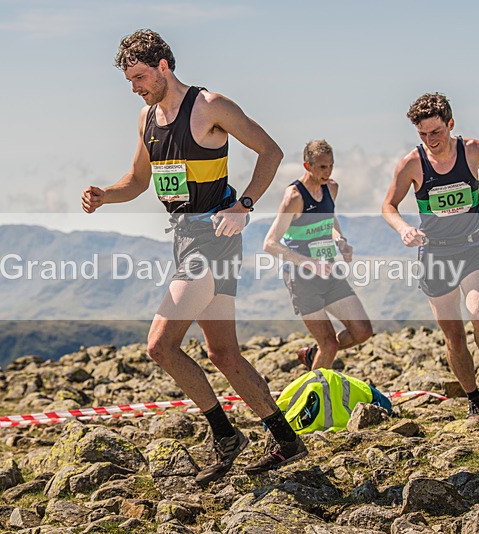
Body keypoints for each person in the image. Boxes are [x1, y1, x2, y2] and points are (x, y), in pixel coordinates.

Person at [81, 29, 307, 484]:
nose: (135, 88)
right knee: (223, 352)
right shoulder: (147, 118)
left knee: (160, 346)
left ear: (164, 65)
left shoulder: (209, 106)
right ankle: (285, 440)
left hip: (214, 240)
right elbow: (139, 181)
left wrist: (244, 205)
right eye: (129, 81)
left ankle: (225, 437)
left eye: (140, 77)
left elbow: (271, 150)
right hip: (185, 238)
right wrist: (106, 194)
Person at [382, 92, 479, 421]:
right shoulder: (412, 163)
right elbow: (388, 206)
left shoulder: (474, 151)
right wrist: (402, 229)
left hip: (471, 247)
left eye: (436, 132)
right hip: (435, 255)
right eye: (423, 134)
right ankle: (473, 398)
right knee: (454, 336)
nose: (430, 140)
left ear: (450, 124)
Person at [263, 140, 373, 370]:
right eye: (322, 167)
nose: (328, 172)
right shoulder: (294, 197)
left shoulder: (331, 188)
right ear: (307, 165)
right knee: (329, 345)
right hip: (301, 278)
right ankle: (313, 400)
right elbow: (270, 244)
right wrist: (309, 263)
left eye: (331, 166)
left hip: (329, 272)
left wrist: (340, 240)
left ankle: (314, 354)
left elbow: (328, 219)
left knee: (362, 331)